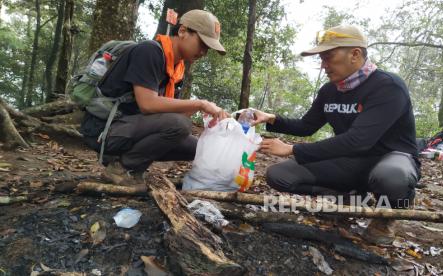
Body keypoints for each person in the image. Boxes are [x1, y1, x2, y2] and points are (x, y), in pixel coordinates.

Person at [252, 25, 420, 245]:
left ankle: (388, 215)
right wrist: (271, 118)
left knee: (391, 177)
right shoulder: (330, 90)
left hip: (390, 157)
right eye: (321, 59)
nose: (323, 66)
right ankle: (348, 199)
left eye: (328, 57)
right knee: (279, 174)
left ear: (355, 54)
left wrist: (292, 149)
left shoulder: (388, 87)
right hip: (351, 161)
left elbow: (358, 140)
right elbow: (306, 126)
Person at [80, 10, 228, 186]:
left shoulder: (176, 69)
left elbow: (168, 115)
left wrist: (206, 118)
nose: (204, 52)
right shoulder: (149, 52)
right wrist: (200, 103)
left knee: (197, 147)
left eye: (208, 48)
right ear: (182, 31)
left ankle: (131, 165)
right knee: (180, 125)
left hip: (128, 127)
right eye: (202, 43)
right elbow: (148, 104)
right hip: (102, 130)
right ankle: (121, 168)